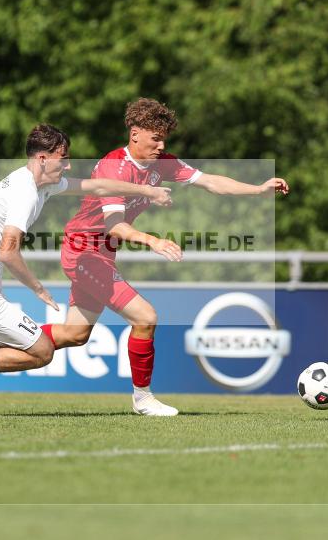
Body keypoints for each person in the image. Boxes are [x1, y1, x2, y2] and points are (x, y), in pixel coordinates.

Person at [48, 98, 289, 416]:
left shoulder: (163, 164)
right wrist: (153, 241)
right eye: (155, 138)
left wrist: (258, 189)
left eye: (164, 139)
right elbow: (114, 226)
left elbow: (211, 182)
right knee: (145, 317)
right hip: (83, 252)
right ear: (134, 133)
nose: (161, 145)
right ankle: (143, 399)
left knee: (74, 335)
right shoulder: (112, 166)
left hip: (101, 255)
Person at [0, 123, 173, 415]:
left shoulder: (38, 182)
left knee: (15, 344)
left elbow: (97, 186)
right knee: (41, 351)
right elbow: (7, 252)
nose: (69, 165)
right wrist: (38, 288)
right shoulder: (25, 192)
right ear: (43, 159)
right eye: (64, 157)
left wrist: (146, 190)